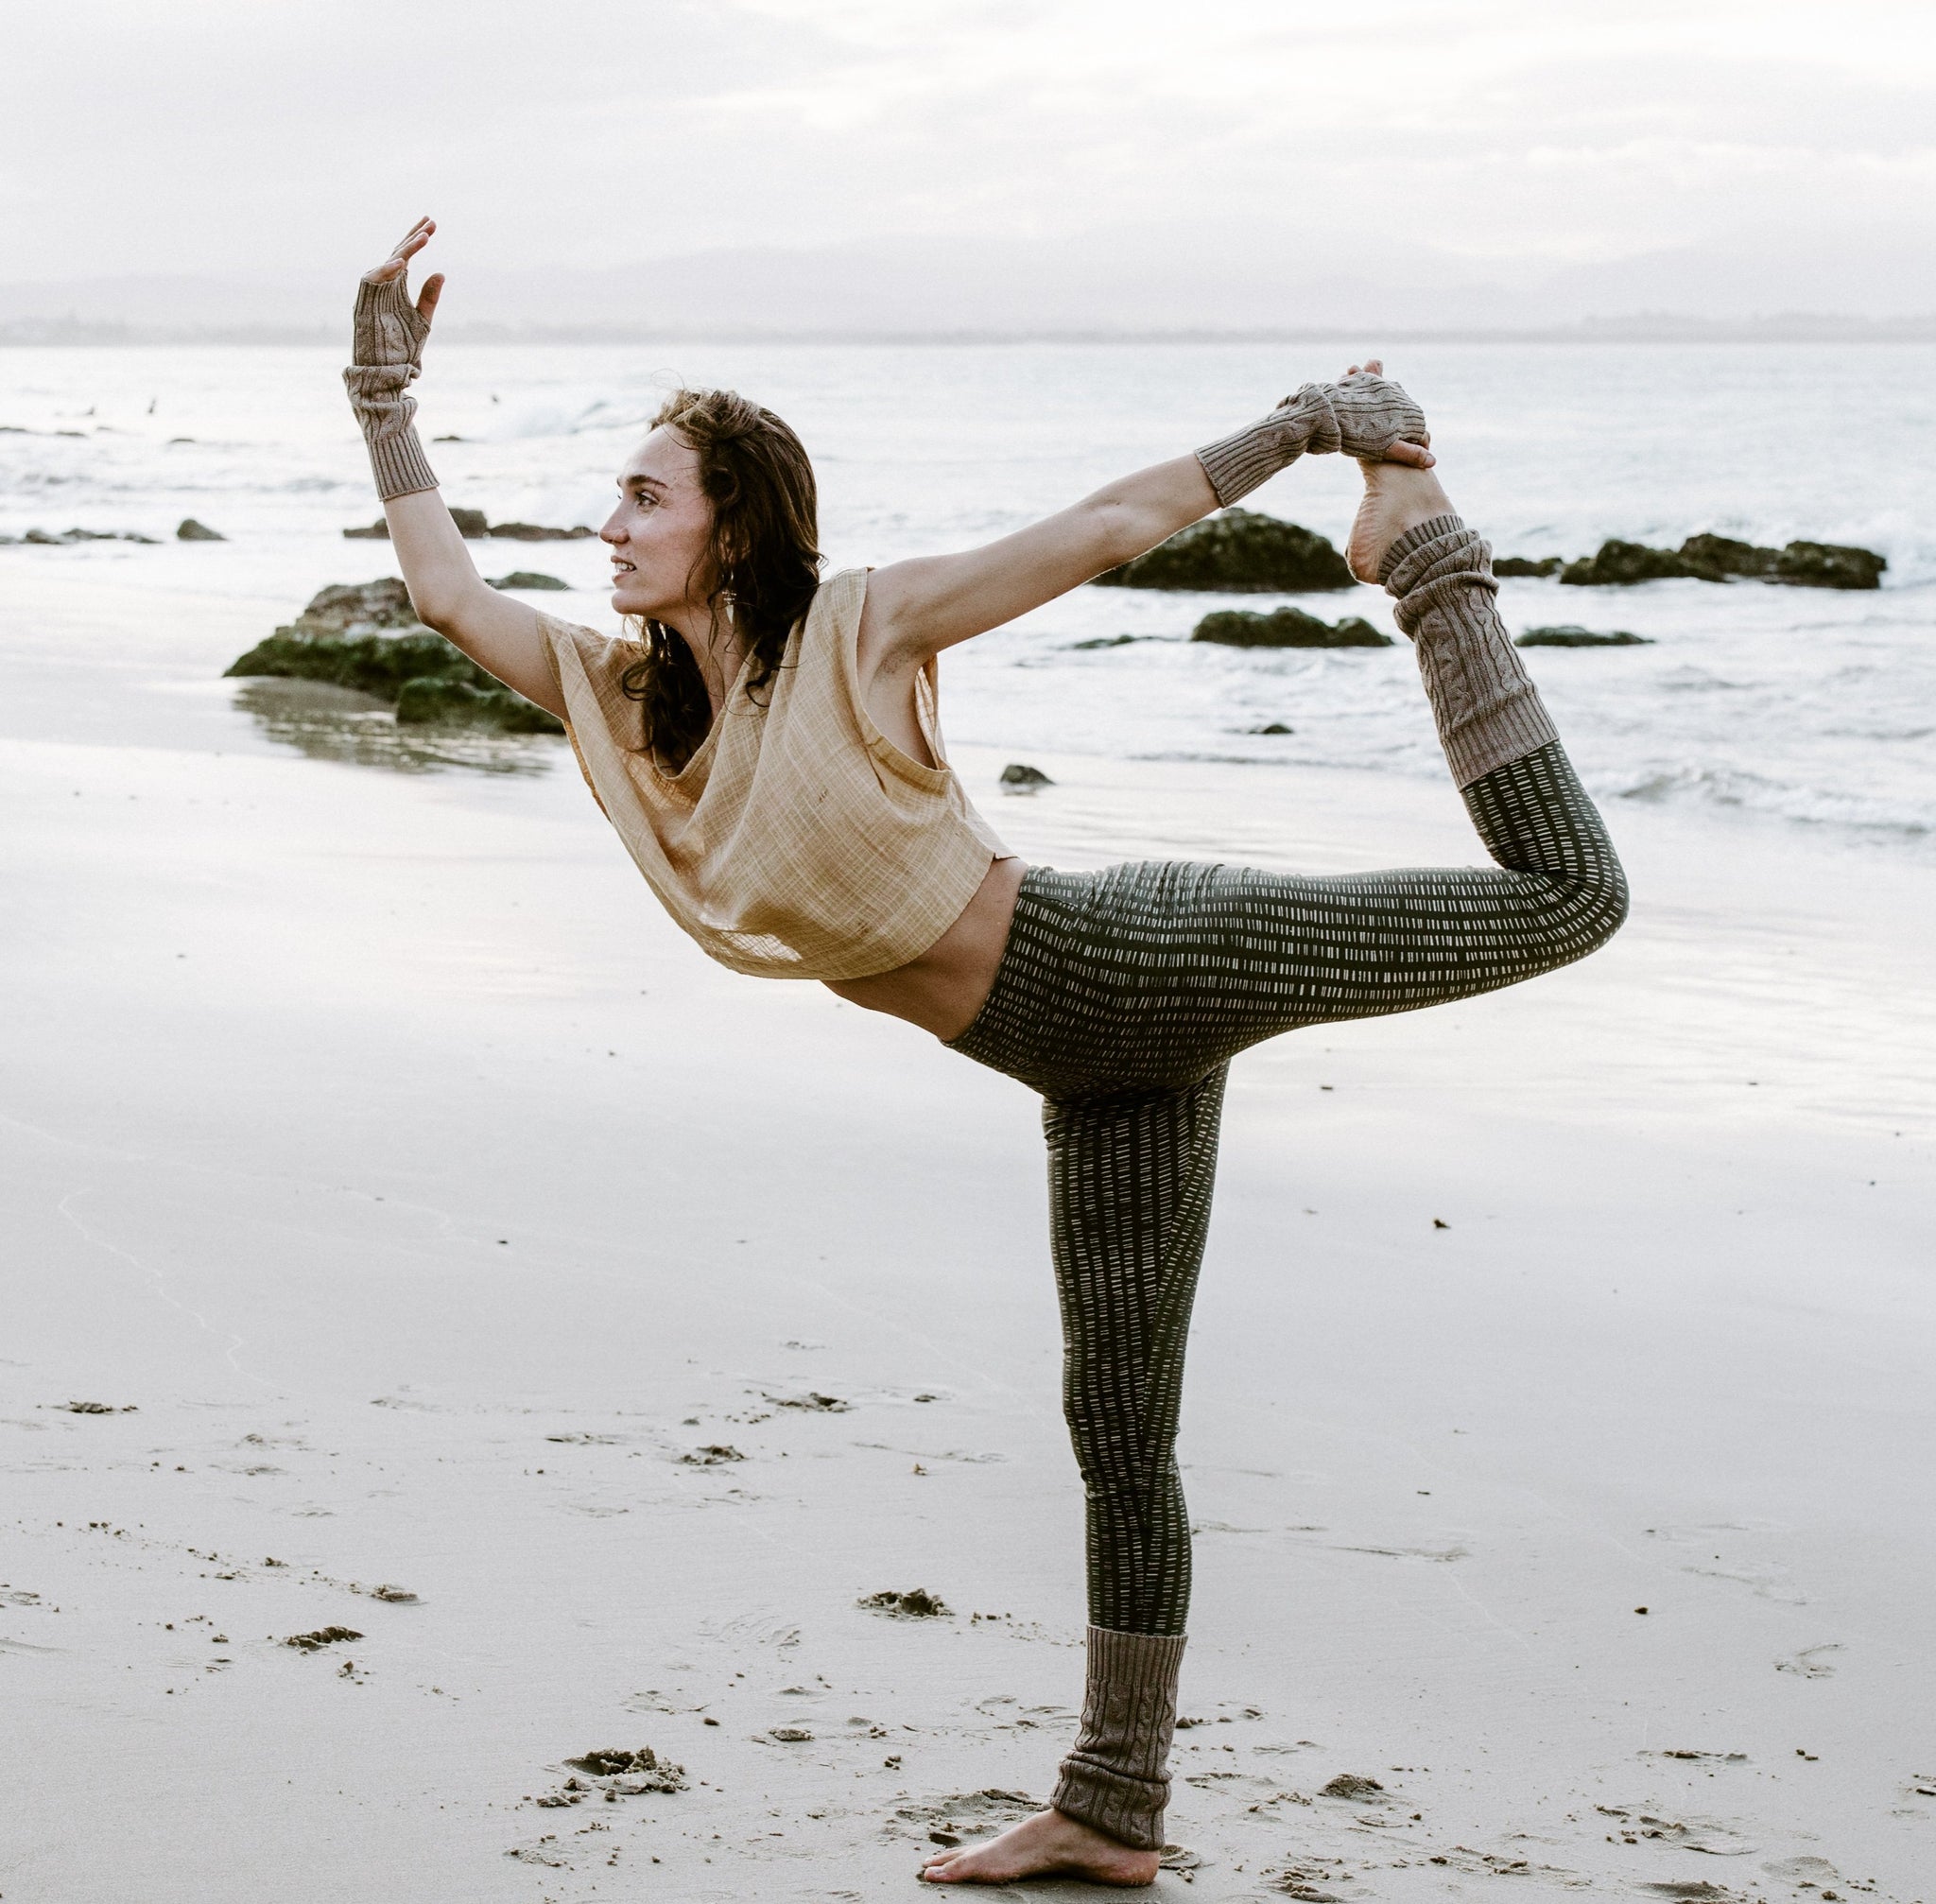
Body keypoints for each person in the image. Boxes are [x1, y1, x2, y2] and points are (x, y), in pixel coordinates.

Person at [344, 217, 1628, 1888]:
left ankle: (1429, 544)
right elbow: (444, 587)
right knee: (1121, 1430)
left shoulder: (857, 634)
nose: (611, 523)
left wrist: (1316, 426)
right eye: (616, 497)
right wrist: (384, 390)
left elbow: (1098, 530)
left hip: (1148, 954)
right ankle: (1114, 1805)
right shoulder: (627, 705)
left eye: (647, 496)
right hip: (1085, 1066)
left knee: (1569, 895)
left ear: (735, 524)